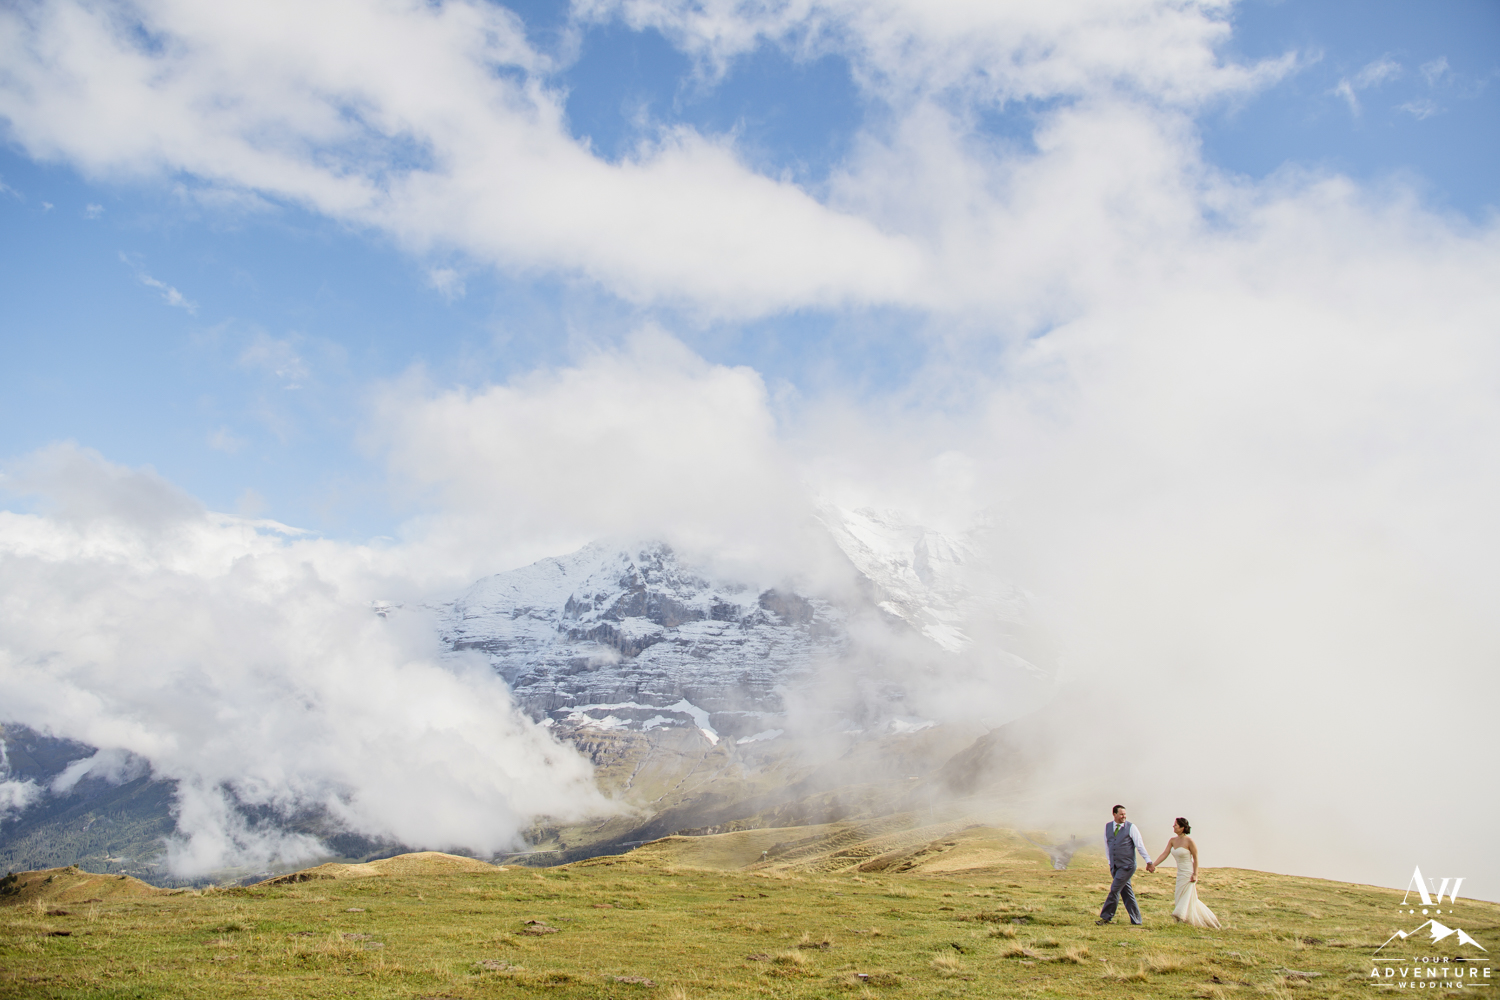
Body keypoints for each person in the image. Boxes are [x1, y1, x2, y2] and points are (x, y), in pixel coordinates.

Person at [1150, 817, 1220, 929]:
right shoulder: (1172, 840)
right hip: (1180, 873)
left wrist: (1195, 874)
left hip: (1188, 873)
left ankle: (1182, 918)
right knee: (1180, 895)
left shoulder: (1189, 841)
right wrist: (1154, 865)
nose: (1173, 826)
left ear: (1182, 827)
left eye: (1176, 825)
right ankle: (1187, 920)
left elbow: (1195, 858)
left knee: (1187, 897)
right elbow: (1164, 854)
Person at [1097, 804, 1154, 925]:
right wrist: (1110, 862)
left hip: (1127, 866)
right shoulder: (1108, 827)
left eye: (1125, 814)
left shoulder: (1131, 827)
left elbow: (1139, 845)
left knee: (1114, 889)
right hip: (1115, 866)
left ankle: (1106, 917)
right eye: (1121, 814)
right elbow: (1107, 845)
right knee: (1126, 892)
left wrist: (1148, 861)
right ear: (1114, 814)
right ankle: (1136, 920)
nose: (1124, 816)